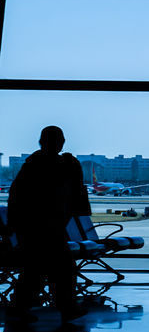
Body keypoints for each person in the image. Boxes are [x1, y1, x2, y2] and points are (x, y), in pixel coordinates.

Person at [7, 126, 89, 320]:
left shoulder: (33, 165)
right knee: (58, 270)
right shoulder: (56, 165)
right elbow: (74, 198)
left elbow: (15, 197)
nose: (60, 144)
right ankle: (63, 307)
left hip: (37, 228)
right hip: (42, 227)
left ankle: (22, 309)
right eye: (59, 140)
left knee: (35, 272)